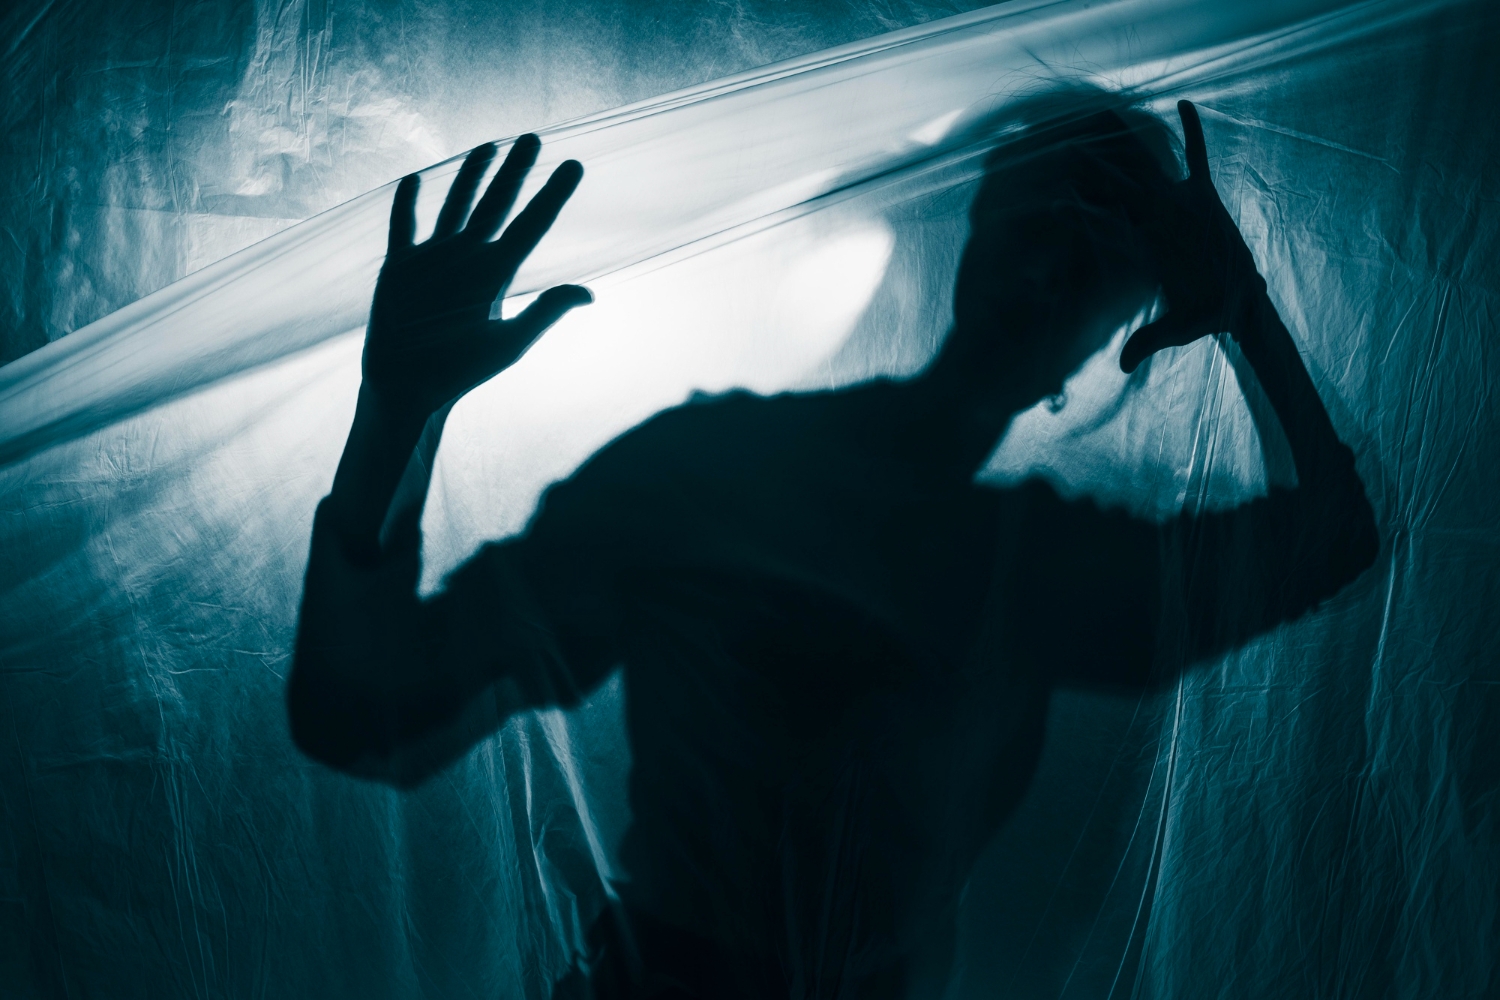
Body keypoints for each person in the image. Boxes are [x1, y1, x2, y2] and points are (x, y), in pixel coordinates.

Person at [288, 99, 1378, 999]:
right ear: (978, 230)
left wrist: (1242, 306)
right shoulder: (709, 468)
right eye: (1042, 218)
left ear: (1121, 326)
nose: (1053, 268)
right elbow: (365, 711)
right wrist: (396, 412)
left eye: (1098, 253)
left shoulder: (1042, 566)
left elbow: (1332, 538)